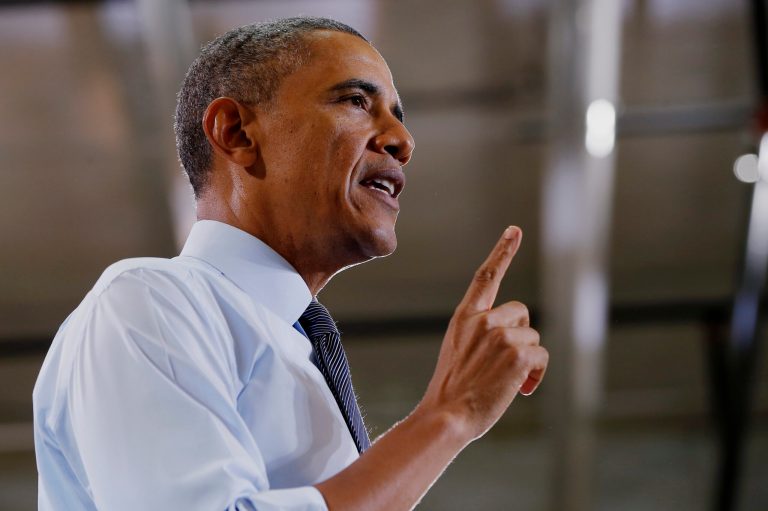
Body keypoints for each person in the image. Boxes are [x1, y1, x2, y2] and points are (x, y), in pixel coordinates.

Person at [33, 16, 548, 511]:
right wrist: (450, 414)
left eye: (398, 115)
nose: (402, 141)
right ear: (234, 131)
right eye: (356, 101)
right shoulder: (148, 301)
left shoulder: (297, 349)